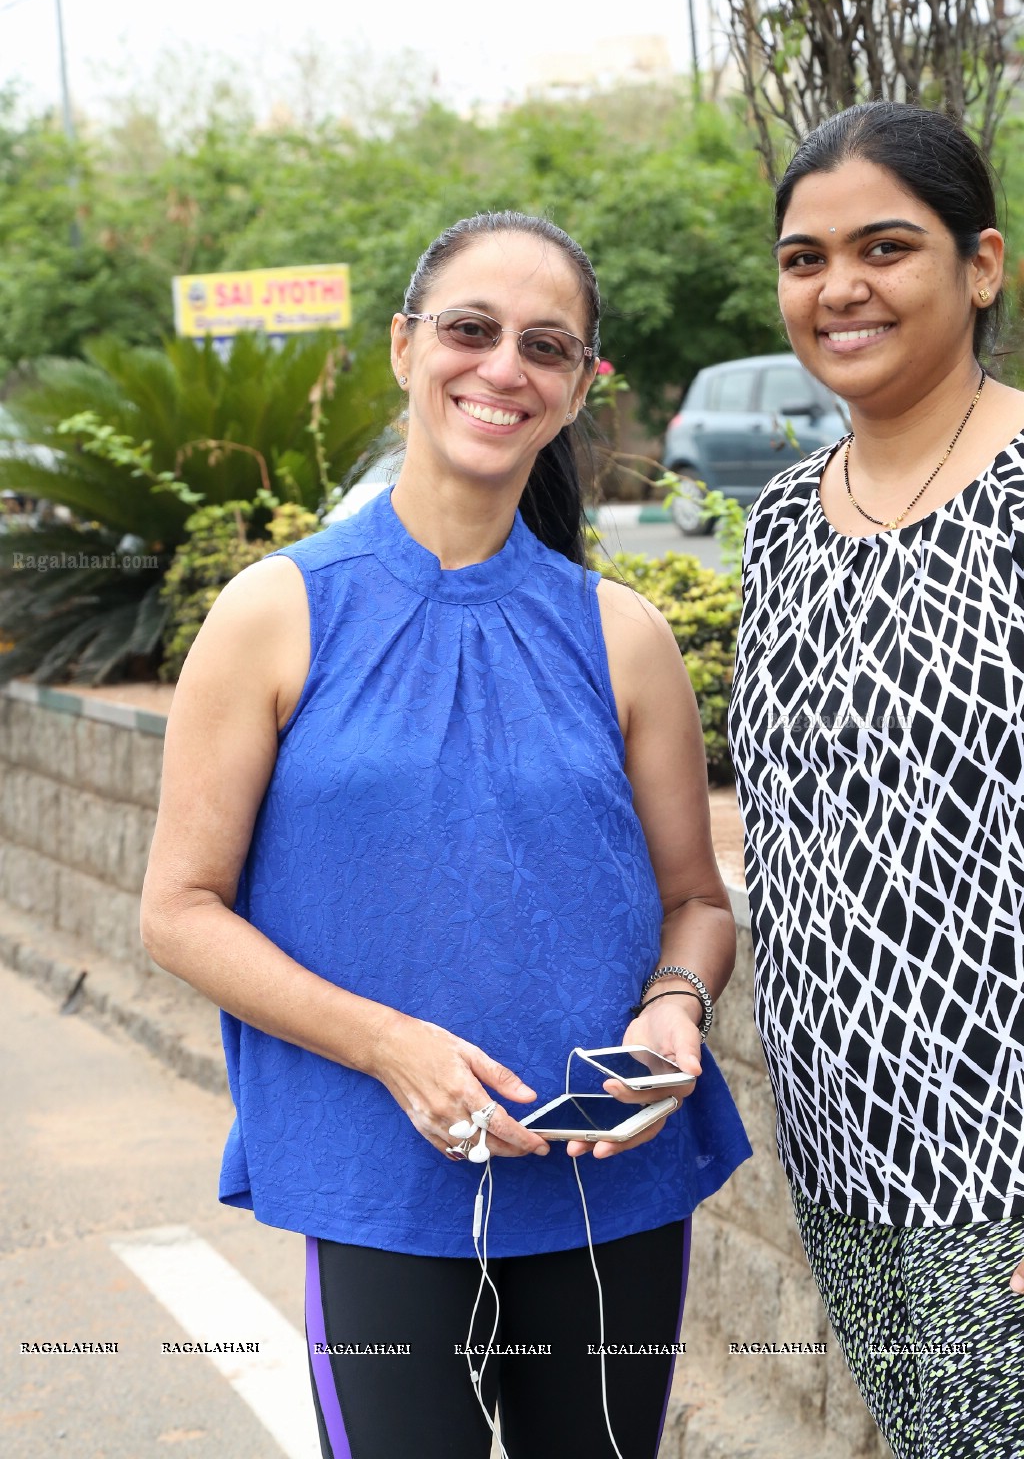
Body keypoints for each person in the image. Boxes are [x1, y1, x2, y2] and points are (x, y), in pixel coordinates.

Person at [141, 211, 751, 1459]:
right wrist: (390, 1047)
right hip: (379, 1185)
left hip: (605, 1183)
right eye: (470, 330)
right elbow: (181, 908)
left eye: (545, 345)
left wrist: (676, 1007)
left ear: (581, 386)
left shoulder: (619, 634)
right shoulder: (276, 614)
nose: (501, 367)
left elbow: (697, 897)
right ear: (404, 347)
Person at [729, 103, 1024, 1459]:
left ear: (980, 265)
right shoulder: (785, 522)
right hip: (846, 1153)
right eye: (804, 257)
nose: (838, 287)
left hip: (1002, 1156)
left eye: (883, 246)